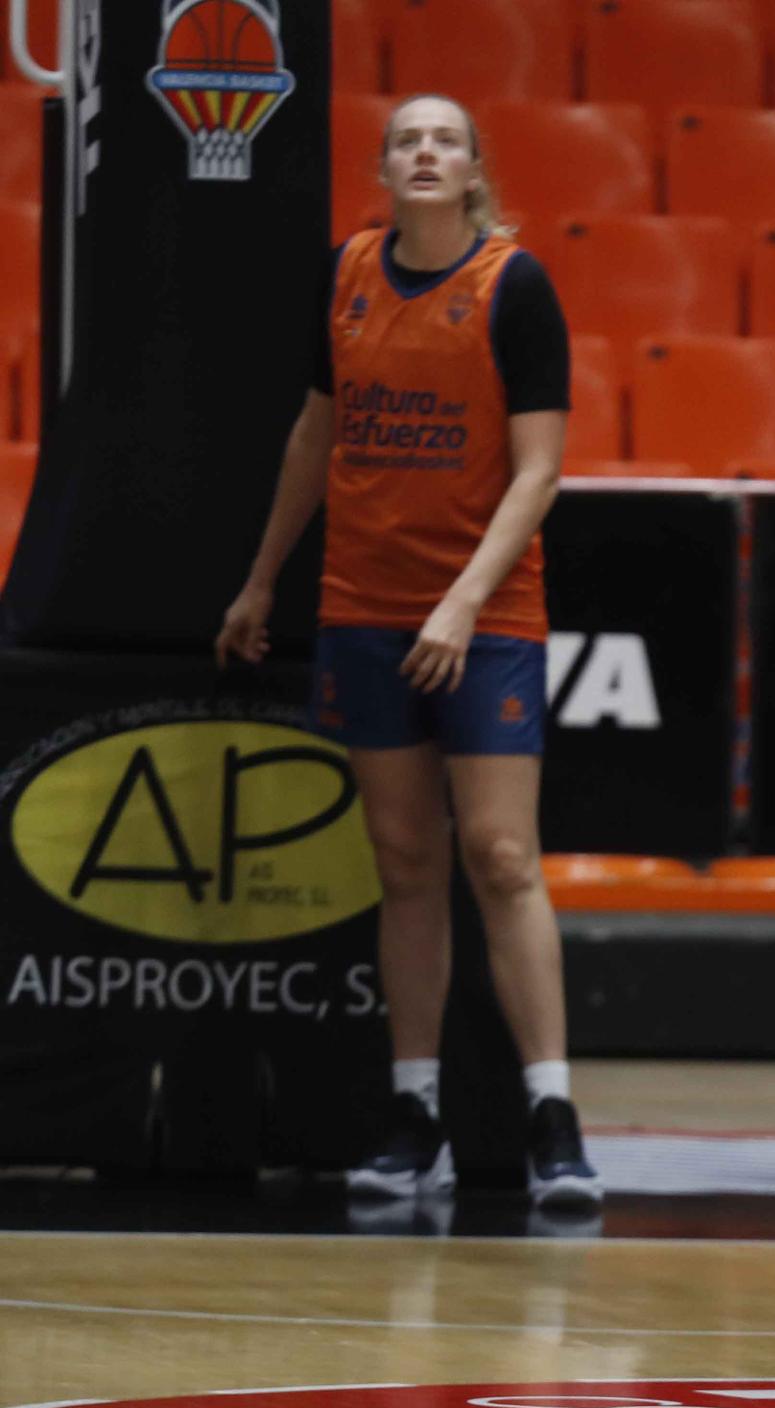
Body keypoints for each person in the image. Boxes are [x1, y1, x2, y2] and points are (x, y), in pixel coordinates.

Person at [216, 94, 600, 1211]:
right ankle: (413, 1106)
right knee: (403, 860)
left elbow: (538, 473)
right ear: (383, 166)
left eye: (445, 139)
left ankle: (553, 1110)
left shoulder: (513, 286)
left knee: (499, 856)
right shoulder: (346, 274)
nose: (424, 152)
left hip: (484, 618)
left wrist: (462, 605)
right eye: (405, 139)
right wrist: (259, 578)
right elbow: (313, 434)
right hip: (363, 604)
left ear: (475, 167)